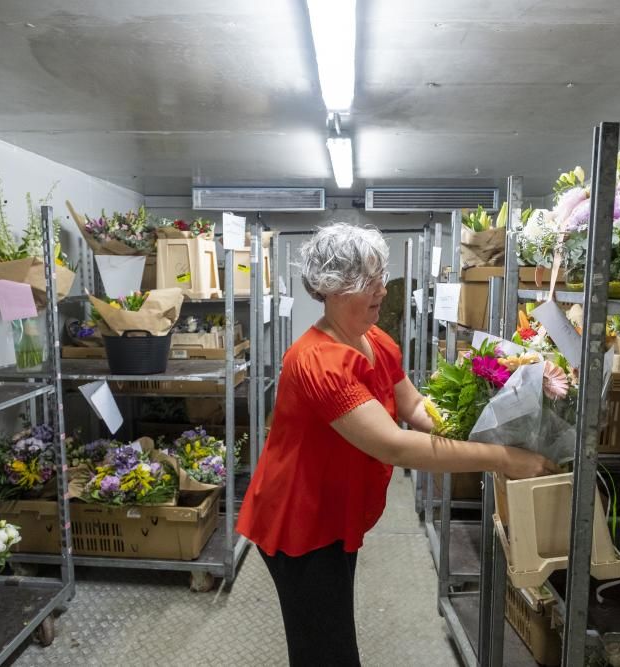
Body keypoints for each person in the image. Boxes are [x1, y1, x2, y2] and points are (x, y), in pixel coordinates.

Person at [236, 222, 558, 666]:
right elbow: (395, 446)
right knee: (326, 653)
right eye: (365, 281)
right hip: (299, 521)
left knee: (329, 638)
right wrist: (502, 457)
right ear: (330, 287)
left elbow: (417, 410)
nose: (381, 290)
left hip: (332, 510)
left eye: (379, 276)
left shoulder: (375, 341)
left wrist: (489, 427)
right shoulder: (317, 362)